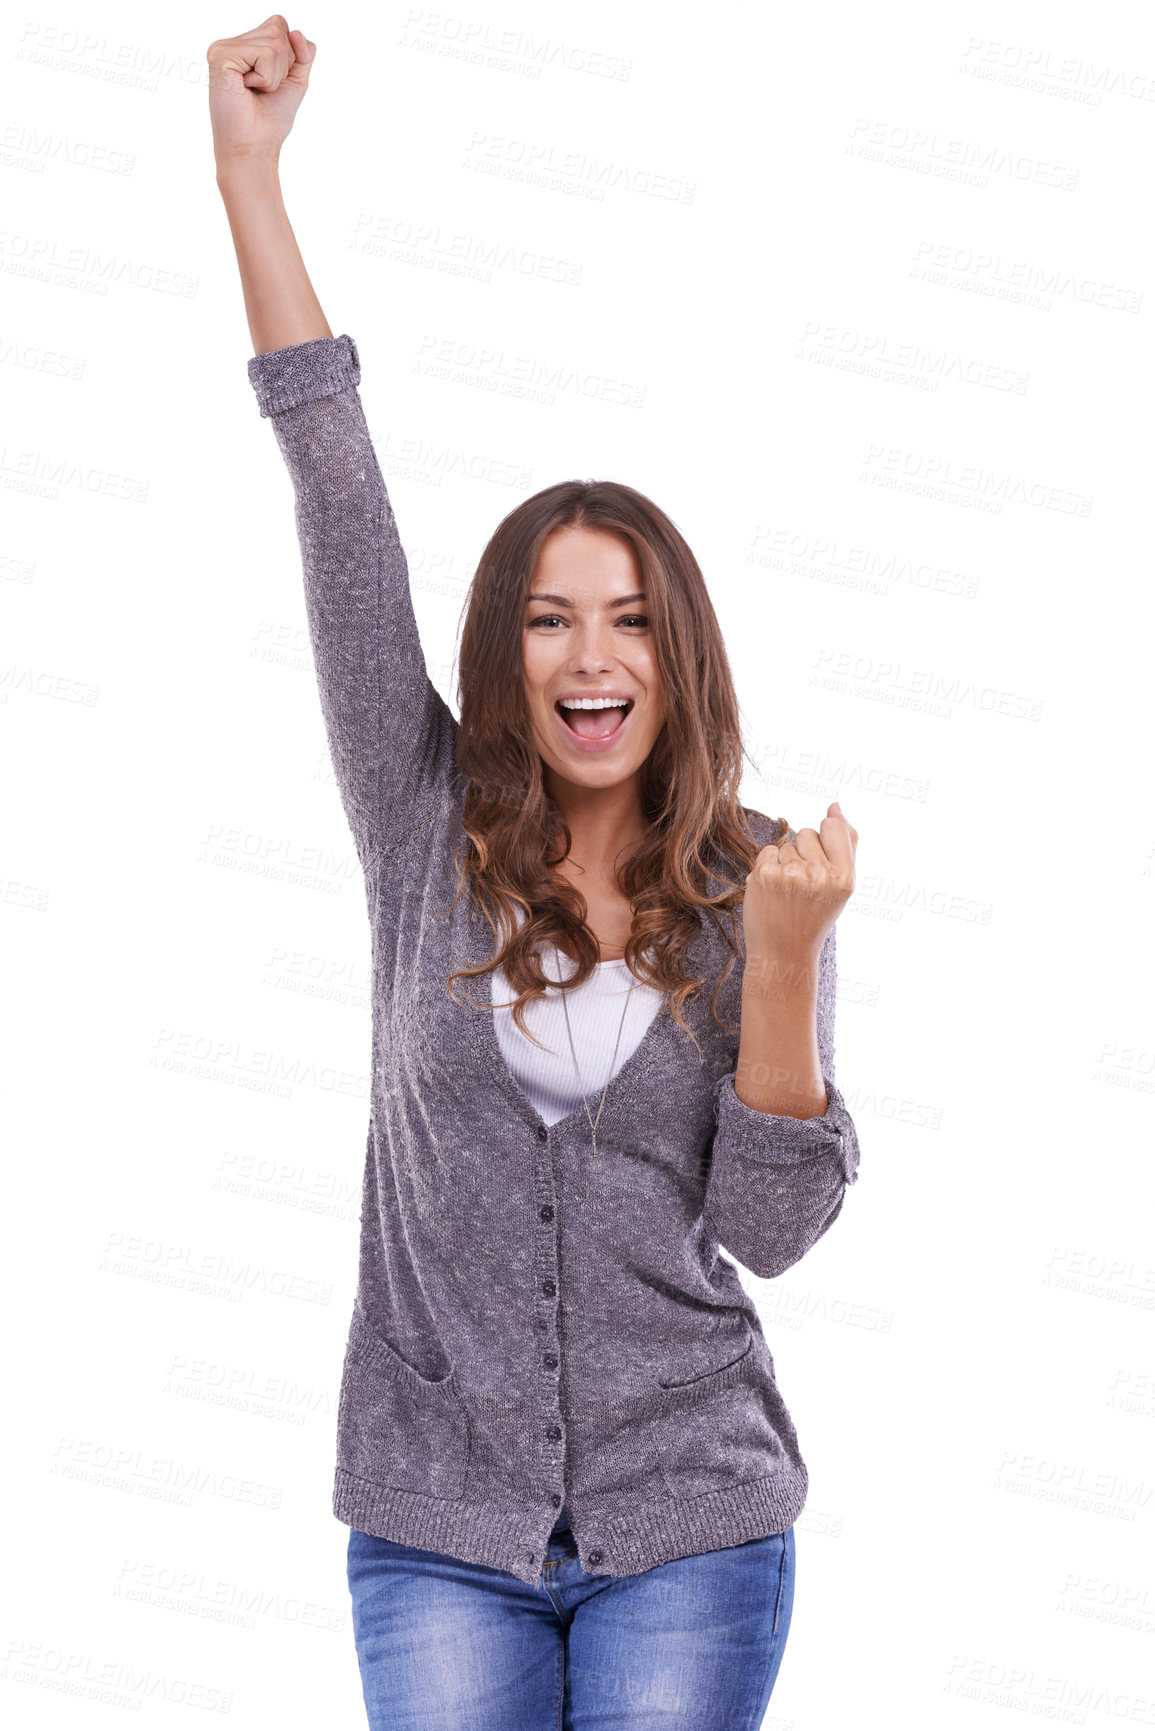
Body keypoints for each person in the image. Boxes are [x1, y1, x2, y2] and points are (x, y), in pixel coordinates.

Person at [208, 17, 862, 1729]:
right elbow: (334, 483)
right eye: (554, 616)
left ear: (678, 655)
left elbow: (770, 1235)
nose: (594, 654)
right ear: (507, 649)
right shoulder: (419, 814)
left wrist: (784, 962)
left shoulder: (753, 885)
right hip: (436, 1527)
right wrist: (248, 177)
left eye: (632, 618)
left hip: (692, 1529)